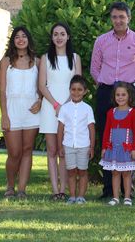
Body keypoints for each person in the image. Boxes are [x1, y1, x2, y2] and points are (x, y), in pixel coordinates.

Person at [90, 1, 135, 199]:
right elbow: (94, 68)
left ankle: (128, 192)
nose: (118, 20)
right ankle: (109, 190)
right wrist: (103, 85)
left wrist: (133, 91)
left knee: (129, 139)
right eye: (115, 17)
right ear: (111, 18)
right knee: (107, 139)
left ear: (128, 18)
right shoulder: (101, 41)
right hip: (106, 92)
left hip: (129, 93)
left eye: (122, 17)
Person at [39, 22, 82, 201]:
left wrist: (65, 105)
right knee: (52, 150)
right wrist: (56, 105)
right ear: (52, 37)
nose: (59, 37)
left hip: (70, 107)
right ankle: (55, 190)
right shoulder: (45, 58)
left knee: (64, 150)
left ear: (68, 37)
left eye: (62, 34)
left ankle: (64, 189)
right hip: (50, 108)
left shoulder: (75, 58)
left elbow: (78, 84)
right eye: (55, 34)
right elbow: (42, 85)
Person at [0, 26, 41, 199]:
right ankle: (10, 185)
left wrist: (40, 101)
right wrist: (4, 115)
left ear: (29, 39)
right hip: (12, 110)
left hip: (31, 111)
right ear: (13, 41)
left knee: (27, 149)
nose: (21, 39)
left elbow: (42, 86)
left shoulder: (37, 62)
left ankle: (22, 188)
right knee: (14, 152)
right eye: (17, 37)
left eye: (24, 36)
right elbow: (1, 91)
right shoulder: (5, 62)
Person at [99, 82, 135, 206]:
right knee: (115, 173)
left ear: (129, 96)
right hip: (113, 149)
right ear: (114, 97)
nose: (120, 97)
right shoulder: (110, 113)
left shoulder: (133, 113)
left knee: (127, 173)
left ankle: (127, 197)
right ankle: (116, 197)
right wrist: (104, 147)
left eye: (123, 94)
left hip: (127, 150)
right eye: (118, 95)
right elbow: (107, 132)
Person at [57, 75, 95, 205]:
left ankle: (81, 196)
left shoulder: (88, 109)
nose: (76, 92)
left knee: (83, 171)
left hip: (83, 145)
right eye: (73, 89)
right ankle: (72, 196)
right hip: (68, 144)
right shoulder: (64, 108)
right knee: (71, 171)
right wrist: (60, 146)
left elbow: (91, 129)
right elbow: (60, 129)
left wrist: (92, 147)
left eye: (79, 89)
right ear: (69, 90)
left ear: (84, 91)